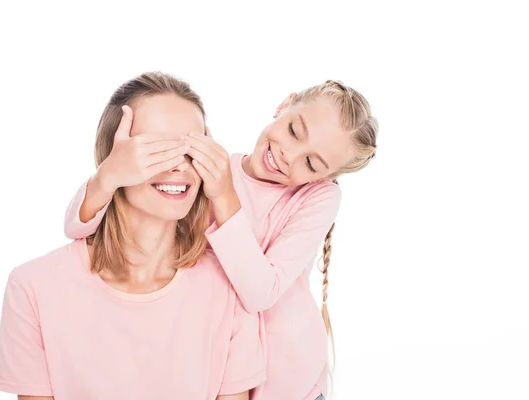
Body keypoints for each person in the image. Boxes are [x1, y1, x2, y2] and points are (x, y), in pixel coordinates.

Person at [64, 77, 378, 400]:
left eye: (311, 163)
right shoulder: (212, 171)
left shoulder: (317, 198)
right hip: (220, 378)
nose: (289, 155)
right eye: (295, 131)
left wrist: (224, 195)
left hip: (289, 386)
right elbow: (78, 227)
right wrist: (109, 174)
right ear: (285, 104)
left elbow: (259, 292)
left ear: (324, 178)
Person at [0, 72, 266, 400]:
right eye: (156, 149)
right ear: (113, 158)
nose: (179, 166)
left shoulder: (229, 291)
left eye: (194, 150)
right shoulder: (34, 287)